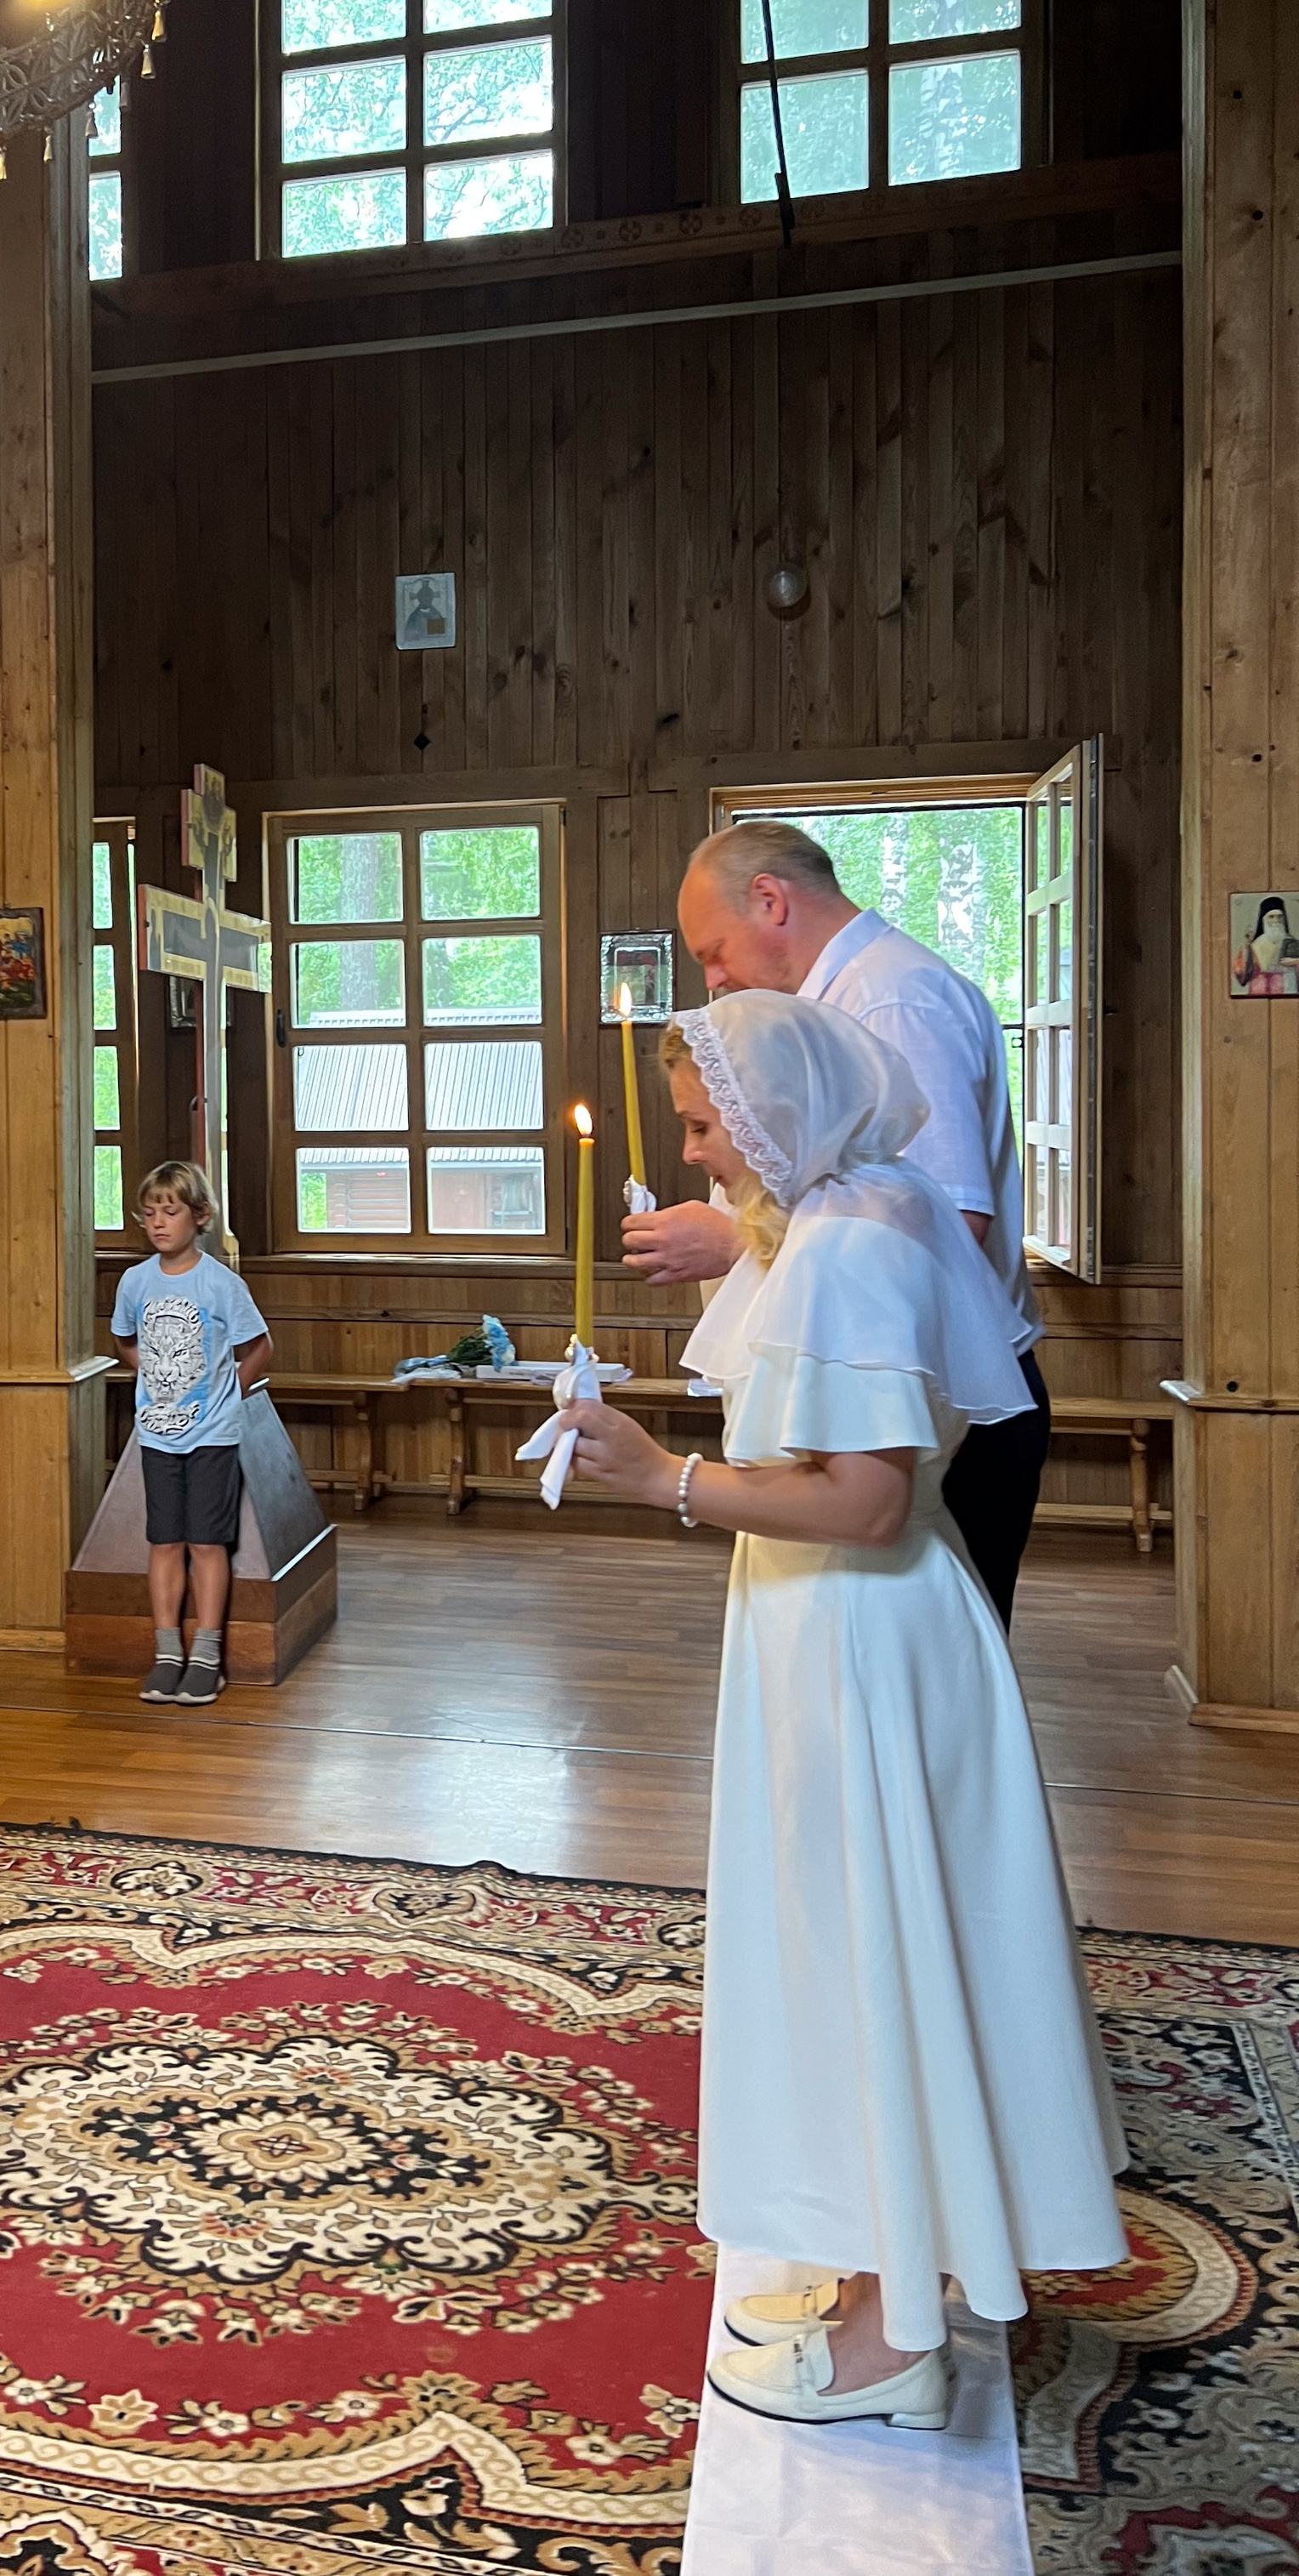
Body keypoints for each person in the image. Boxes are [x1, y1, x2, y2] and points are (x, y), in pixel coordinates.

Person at [558, 992, 1126, 2428]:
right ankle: (883, 2256)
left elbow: (864, 1500)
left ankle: (895, 2337)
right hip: (844, 1624)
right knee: (863, 1942)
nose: (697, 1154)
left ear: (780, 1114)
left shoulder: (854, 1243)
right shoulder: (860, 1211)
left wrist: (661, 1478)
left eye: (708, 1125)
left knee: (876, 1947)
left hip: (862, 1626)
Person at [626, 820, 1047, 1628]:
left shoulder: (890, 996)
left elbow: (944, 1221)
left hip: (926, 1398)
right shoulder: (836, 996)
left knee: (914, 1652)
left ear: (770, 900)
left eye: (714, 950)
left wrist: (731, 1240)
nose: (714, 979)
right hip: (877, 1393)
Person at [111, 1160, 272, 1708]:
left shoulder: (221, 1284)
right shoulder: (135, 1282)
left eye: (170, 1211)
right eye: (149, 1213)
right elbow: (124, 1341)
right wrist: (157, 1378)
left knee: (206, 1541)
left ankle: (206, 1654)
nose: (158, 1223)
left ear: (199, 1216)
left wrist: (227, 1394)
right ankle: (166, 1654)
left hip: (213, 1436)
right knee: (165, 1540)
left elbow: (260, 1347)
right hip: (157, 1434)